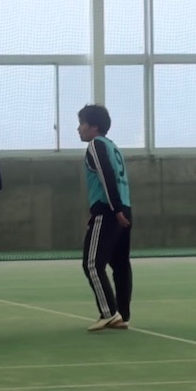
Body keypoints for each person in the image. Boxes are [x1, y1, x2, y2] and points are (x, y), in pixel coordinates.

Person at [77, 103, 133, 330]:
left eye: (82, 124)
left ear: (94, 127)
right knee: (120, 264)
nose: (78, 129)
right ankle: (122, 314)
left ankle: (109, 312)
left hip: (109, 211)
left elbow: (106, 175)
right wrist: (121, 209)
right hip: (124, 209)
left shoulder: (96, 145)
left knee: (92, 264)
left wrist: (114, 209)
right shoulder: (113, 147)